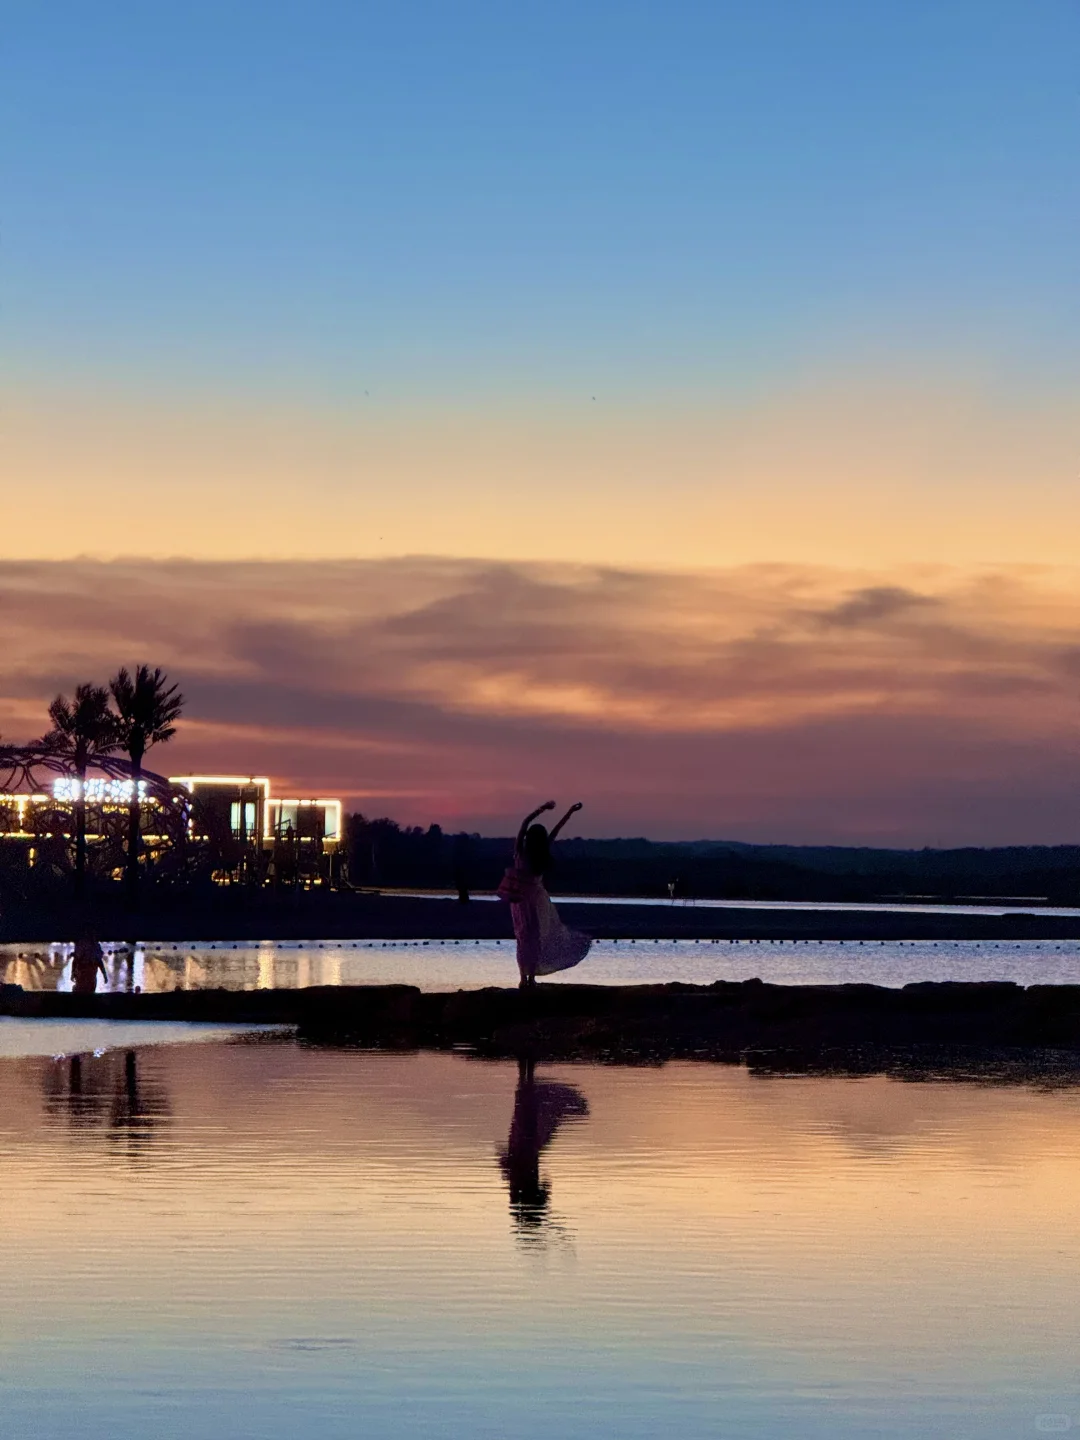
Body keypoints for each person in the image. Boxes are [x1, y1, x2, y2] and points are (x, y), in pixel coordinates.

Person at [497, 800, 591, 989]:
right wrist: (570, 812)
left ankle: (525, 978)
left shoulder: (521, 852)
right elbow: (555, 830)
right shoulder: (537, 852)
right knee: (534, 939)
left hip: (520, 900)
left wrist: (541, 810)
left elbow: (524, 824)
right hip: (536, 900)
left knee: (523, 939)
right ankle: (529, 978)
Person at [71, 928, 108, 995]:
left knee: (84, 992)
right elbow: (99, 962)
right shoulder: (94, 946)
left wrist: (73, 973)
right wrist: (104, 975)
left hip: (87, 974)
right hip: (85, 974)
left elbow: (76, 960)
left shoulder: (93, 946)